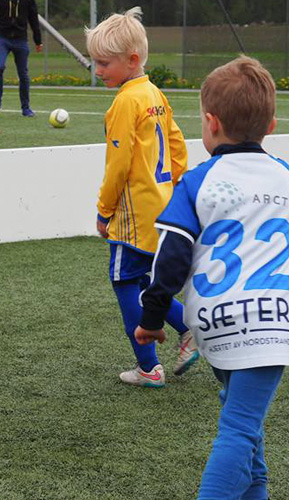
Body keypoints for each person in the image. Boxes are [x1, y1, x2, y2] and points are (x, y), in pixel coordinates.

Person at [136, 56, 289, 499]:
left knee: (243, 428)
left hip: (215, 324)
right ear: (271, 125)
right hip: (269, 322)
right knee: (239, 428)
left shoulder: (197, 181)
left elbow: (169, 262)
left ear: (210, 123)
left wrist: (153, 319)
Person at [85, 7, 198, 388]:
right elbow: (178, 145)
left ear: (131, 60)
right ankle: (188, 330)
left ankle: (150, 367)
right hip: (163, 207)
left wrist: (104, 211)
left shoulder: (125, 102)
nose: (97, 70)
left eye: (103, 63)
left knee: (123, 283)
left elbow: (118, 165)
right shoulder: (155, 94)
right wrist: (176, 189)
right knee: (148, 280)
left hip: (134, 215)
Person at [0, 0, 42, 117]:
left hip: (21, 40)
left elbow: (33, 19)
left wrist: (38, 40)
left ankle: (25, 107)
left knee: (23, 74)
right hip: (2, 39)